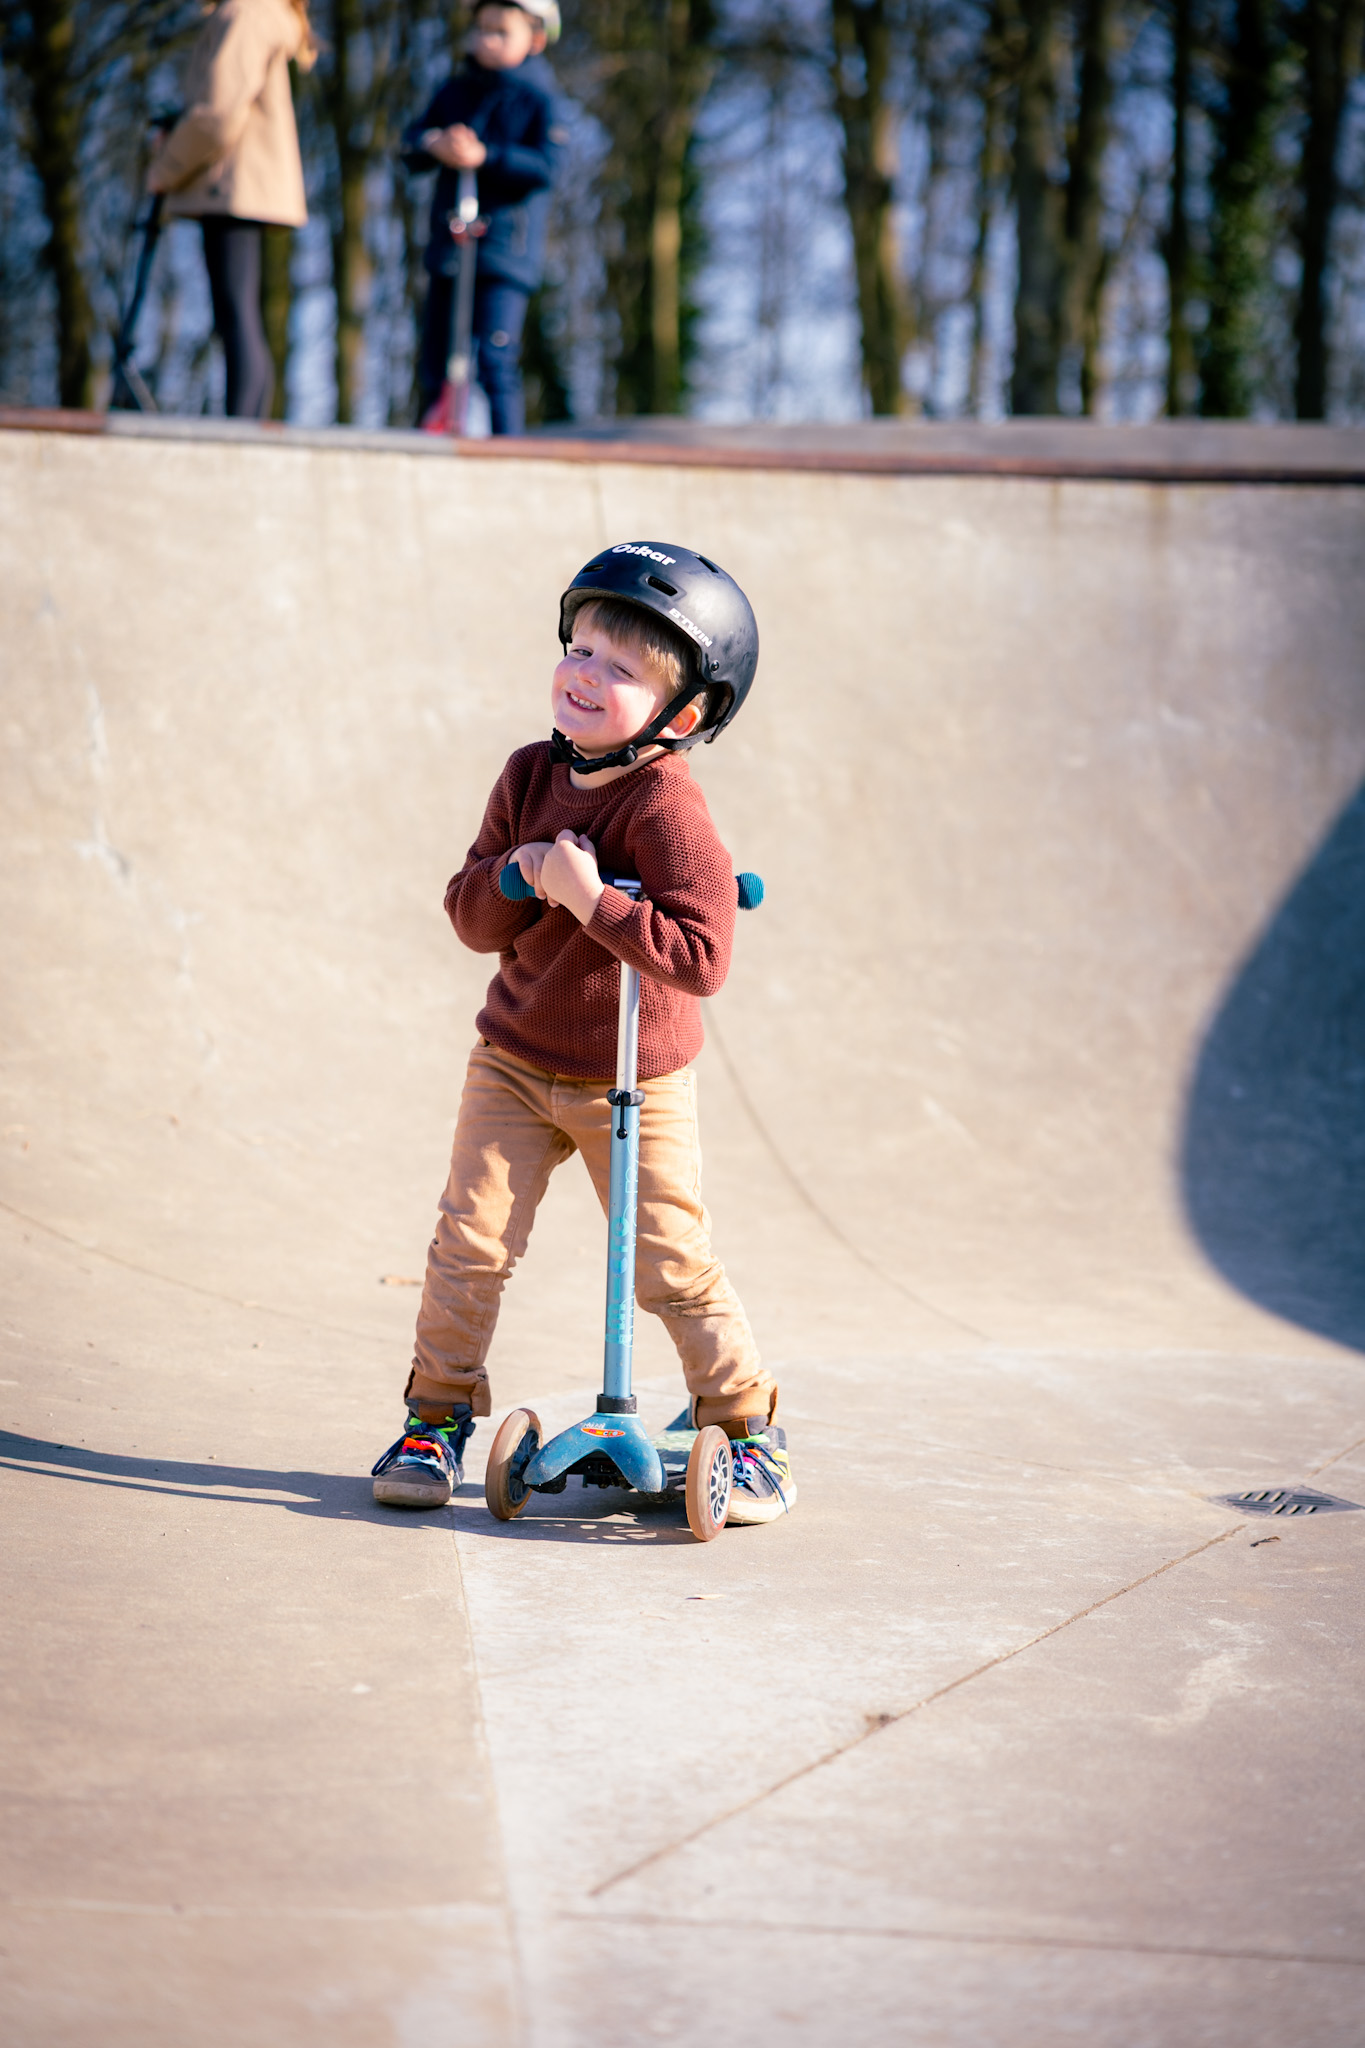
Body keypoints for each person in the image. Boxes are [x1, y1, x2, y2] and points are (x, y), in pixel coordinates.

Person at [371, 544, 796, 1526]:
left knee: (668, 1257)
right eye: (580, 645)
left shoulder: (667, 804)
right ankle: (433, 1420)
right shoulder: (528, 774)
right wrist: (520, 874)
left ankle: (748, 1423)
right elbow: (470, 916)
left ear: (682, 715)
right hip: (516, 1059)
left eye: (619, 667)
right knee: (468, 1243)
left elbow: (699, 955)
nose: (583, 672)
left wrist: (596, 901)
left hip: (635, 1080)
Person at [402, 0, 563, 435]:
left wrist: (487, 156)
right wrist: (434, 143)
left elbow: (546, 167)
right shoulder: (455, 91)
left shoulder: (539, 98)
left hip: (505, 251)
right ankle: (432, 445)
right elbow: (410, 143)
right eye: (482, 29)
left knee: (496, 358)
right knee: (437, 360)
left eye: (501, 31)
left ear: (536, 37)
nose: (486, 40)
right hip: (450, 247)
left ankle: (508, 451)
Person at [148, 0, 313, 419]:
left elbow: (219, 113)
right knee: (238, 310)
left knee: (235, 310)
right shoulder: (265, 13)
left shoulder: (246, 12)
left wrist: (167, 167)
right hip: (243, 180)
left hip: (233, 180)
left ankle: (241, 428)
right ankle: (245, 423)